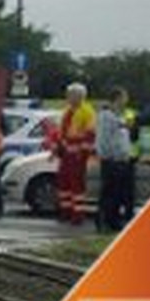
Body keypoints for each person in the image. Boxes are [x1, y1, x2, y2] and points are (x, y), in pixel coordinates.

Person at [53, 82, 95, 225]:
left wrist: (82, 152)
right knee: (63, 185)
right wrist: (58, 146)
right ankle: (65, 212)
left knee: (77, 186)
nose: (68, 97)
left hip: (77, 155)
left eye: (71, 95)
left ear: (80, 96)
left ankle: (77, 215)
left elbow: (90, 134)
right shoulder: (67, 111)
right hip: (66, 153)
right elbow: (61, 132)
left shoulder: (86, 111)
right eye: (68, 94)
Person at [95, 87, 133, 233]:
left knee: (117, 194)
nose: (126, 100)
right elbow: (104, 139)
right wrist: (108, 155)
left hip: (121, 159)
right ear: (117, 98)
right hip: (112, 160)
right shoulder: (107, 116)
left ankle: (114, 221)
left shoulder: (118, 115)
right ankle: (103, 222)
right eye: (124, 97)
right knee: (109, 193)